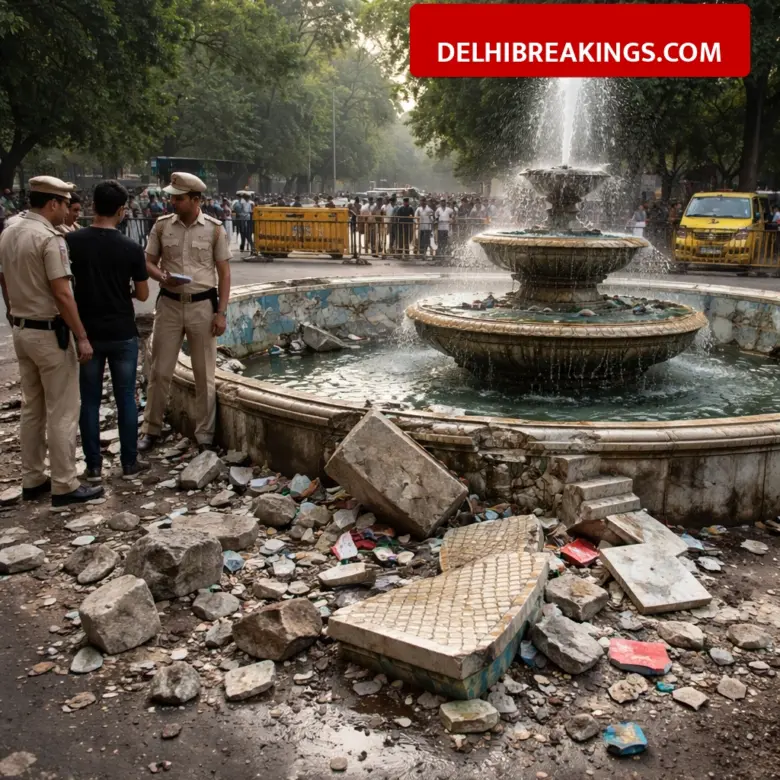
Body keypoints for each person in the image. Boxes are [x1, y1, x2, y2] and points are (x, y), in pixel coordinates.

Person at [0, 176, 103, 506]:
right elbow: (62, 293)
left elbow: (4, 279)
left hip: (21, 329)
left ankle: (32, 478)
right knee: (63, 410)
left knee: (33, 408)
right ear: (53, 203)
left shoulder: (9, 230)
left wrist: (12, 312)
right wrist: (82, 336)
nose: (67, 210)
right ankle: (64, 483)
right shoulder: (49, 238)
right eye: (65, 203)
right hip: (49, 333)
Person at [139, 172, 232, 453]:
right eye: (172, 197)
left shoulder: (215, 229)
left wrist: (221, 313)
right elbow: (148, 262)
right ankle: (151, 428)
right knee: (160, 371)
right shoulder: (162, 226)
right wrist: (161, 276)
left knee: (204, 374)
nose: (173, 202)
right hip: (169, 304)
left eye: (179, 198)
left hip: (202, 307)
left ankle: (205, 436)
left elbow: (224, 274)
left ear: (195, 199)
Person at [66, 180, 150, 482]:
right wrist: (124, 290)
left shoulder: (71, 242)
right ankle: (129, 462)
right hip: (122, 331)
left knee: (89, 400)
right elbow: (143, 294)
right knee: (125, 396)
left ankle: (93, 466)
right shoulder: (131, 248)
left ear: (93, 206)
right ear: (121, 210)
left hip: (87, 332)